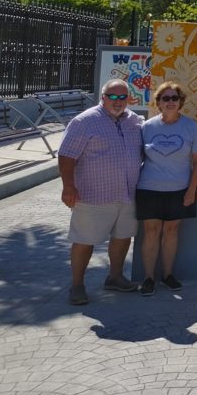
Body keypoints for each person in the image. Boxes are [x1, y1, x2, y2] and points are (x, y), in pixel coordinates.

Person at [59, 79, 143, 305]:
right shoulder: (84, 121)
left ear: (129, 98)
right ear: (103, 97)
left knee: (123, 237)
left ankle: (114, 277)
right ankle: (77, 285)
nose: (118, 101)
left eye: (122, 97)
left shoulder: (135, 121)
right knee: (84, 240)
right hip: (93, 196)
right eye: (113, 96)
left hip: (127, 195)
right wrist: (68, 186)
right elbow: (66, 156)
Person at [136, 81, 197, 296]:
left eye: (174, 98)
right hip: (149, 189)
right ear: (158, 102)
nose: (170, 102)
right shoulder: (147, 127)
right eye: (165, 98)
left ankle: (167, 275)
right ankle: (149, 277)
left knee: (172, 231)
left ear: (180, 102)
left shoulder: (190, 127)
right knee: (151, 232)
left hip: (179, 189)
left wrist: (191, 190)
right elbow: (136, 157)